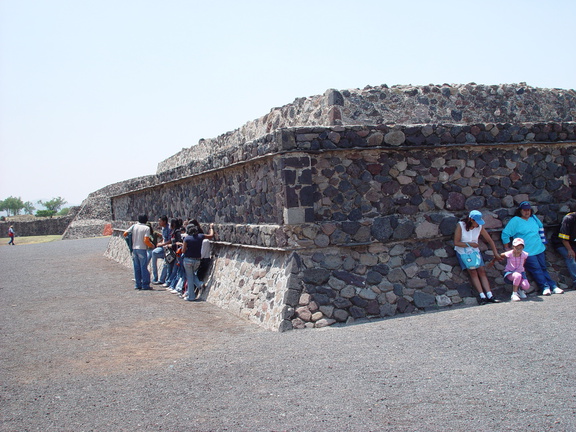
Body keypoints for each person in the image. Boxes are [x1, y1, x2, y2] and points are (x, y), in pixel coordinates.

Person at [501, 201, 562, 296]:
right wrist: (507, 248)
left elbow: (540, 227)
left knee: (543, 268)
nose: (527, 212)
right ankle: (545, 287)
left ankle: (553, 286)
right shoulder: (515, 221)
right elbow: (505, 234)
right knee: (536, 269)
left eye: (528, 210)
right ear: (520, 211)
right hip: (527, 252)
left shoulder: (533, 218)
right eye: (524, 210)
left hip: (539, 248)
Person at [454, 210, 503, 304]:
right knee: (473, 272)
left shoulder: (479, 226)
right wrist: (470, 244)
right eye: (476, 221)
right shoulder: (460, 225)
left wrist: (495, 253)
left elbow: (489, 240)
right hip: (463, 253)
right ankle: (482, 296)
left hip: (475, 252)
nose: (478, 224)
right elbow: (456, 242)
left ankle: (490, 295)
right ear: (471, 219)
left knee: (481, 271)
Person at [181, 223, 215, 301]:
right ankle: (200, 284)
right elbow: (211, 236)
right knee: (192, 274)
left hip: (188, 260)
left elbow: (183, 250)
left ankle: (191, 296)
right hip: (197, 260)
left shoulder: (187, 239)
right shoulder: (201, 236)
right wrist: (211, 228)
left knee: (189, 277)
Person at [123, 215, 155, 290]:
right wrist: (151, 245)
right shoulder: (146, 228)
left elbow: (125, 234)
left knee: (136, 267)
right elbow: (146, 240)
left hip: (134, 249)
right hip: (142, 249)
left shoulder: (134, 226)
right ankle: (145, 284)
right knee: (143, 267)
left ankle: (138, 284)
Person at [552, 203, 576, 289]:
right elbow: (563, 238)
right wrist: (570, 250)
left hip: (573, 242)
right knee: (570, 256)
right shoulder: (569, 218)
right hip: (561, 242)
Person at [151, 216, 171, 284]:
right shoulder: (163, 228)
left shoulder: (169, 229)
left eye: (160, 221)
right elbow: (164, 238)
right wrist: (160, 242)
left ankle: (162, 279)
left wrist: (161, 244)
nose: (159, 222)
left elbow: (170, 241)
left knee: (166, 261)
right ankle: (155, 277)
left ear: (164, 221)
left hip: (168, 248)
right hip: (163, 247)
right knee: (153, 253)